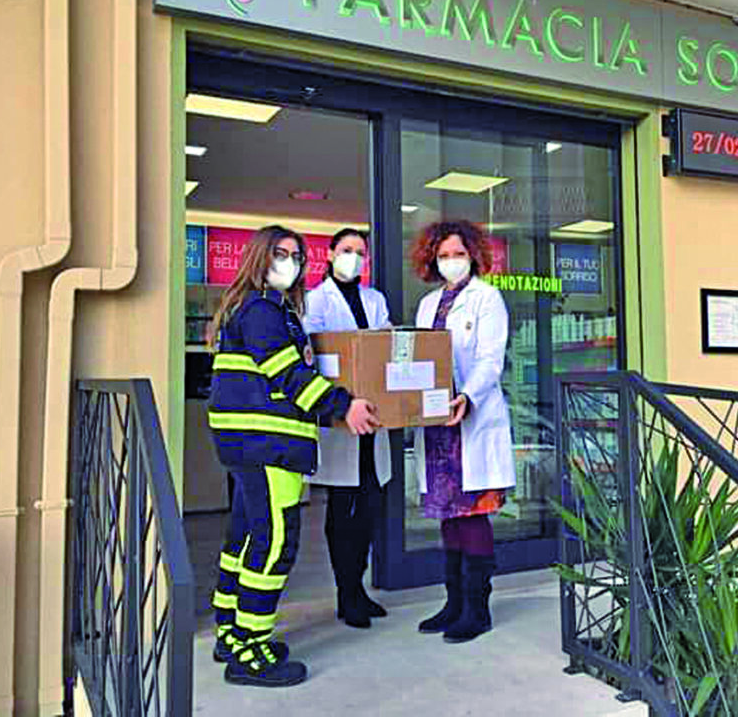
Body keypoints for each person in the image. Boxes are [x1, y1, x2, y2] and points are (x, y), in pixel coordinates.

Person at [207, 225, 380, 687]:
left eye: (297, 256)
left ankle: (231, 632)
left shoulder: (260, 308)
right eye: (280, 254)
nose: (290, 263)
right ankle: (251, 650)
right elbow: (288, 375)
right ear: (259, 257)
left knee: (244, 538)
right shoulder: (263, 311)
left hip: (250, 445)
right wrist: (344, 406)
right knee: (274, 543)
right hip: (268, 445)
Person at [411, 220, 515, 643]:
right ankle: (453, 603)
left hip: (470, 416)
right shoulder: (427, 305)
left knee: (472, 515)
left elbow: (491, 360)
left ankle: (477, 608)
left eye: (458, 254)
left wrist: (468, 397)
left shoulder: (487, 298)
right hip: (438, 425)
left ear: (473, 255)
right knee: (448, 517)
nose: (451, 261)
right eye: (443, 255)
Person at [302, 228, 392, 629]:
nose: (354, 257)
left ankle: (359, 588)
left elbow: (384, 347)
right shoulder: (315, 300)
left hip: (375, 418)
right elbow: (318, 353)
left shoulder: (375, 300)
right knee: (342, 509)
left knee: (369, 509)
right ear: (330, 254)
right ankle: (346, 593)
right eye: (346, 250)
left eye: (360, 251)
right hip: (340, 418)